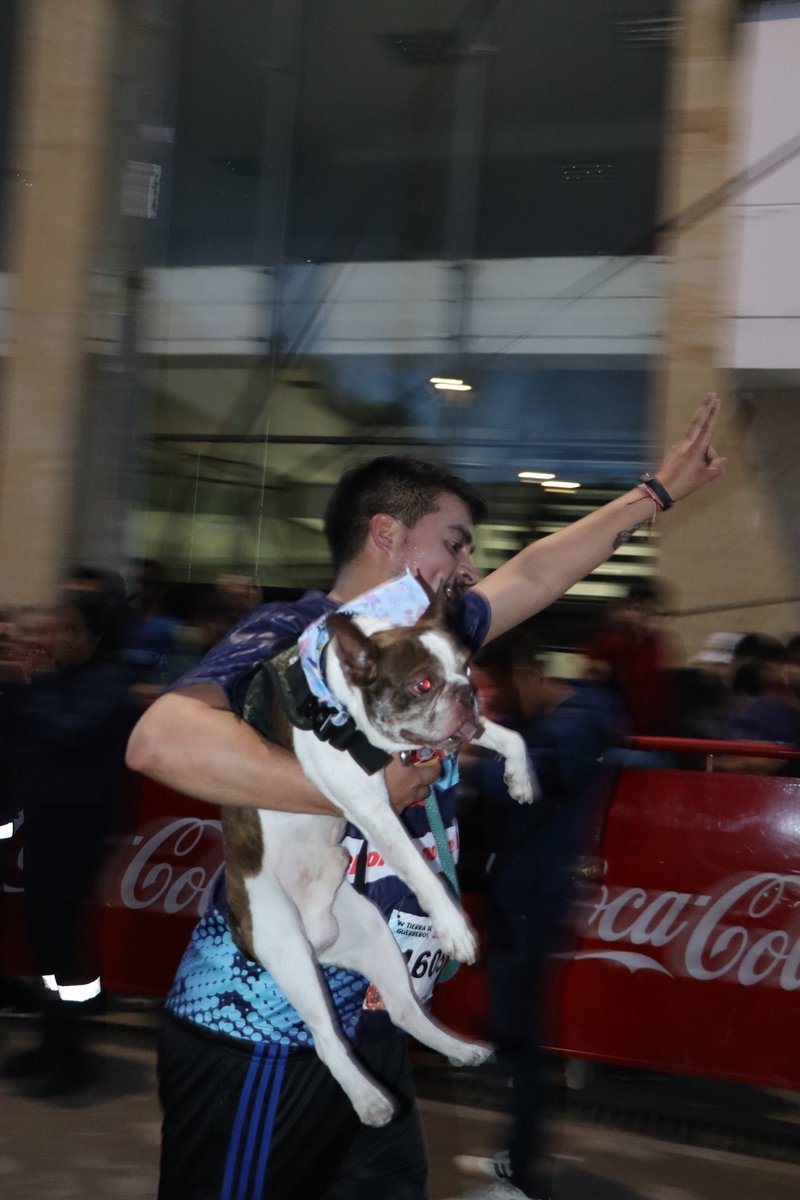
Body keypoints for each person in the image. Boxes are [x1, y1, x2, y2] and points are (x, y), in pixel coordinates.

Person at [126, 393, 725, 1200]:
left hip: (375, 1024)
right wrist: (350, 788)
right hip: (264, 1032)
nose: (470, 568)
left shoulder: (430, 644)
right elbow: (158, 739)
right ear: (387, 535)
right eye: (454, 544)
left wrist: (654, 495)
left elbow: (539, 572)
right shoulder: (295, 636)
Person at [455, 640, 623, 1200]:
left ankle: (524, 1179)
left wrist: (469, 765)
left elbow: (521, 787)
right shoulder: (562, 722)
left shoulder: (572, 727)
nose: (494, 703)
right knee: (515, 1040)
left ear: (529, 673)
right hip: (524, 900)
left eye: (498, 689)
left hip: (533, 903)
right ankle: (518, 1158)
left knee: (522, 1045)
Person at [1, 585, 136, 1094]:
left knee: (65, 947)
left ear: (95, 636)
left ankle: (73, 1053)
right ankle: (51, 1043)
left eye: (67, 629)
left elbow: (65, 730)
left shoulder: (109, 684)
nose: (54, 637)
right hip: (46, 829)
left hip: (78, 834)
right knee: (44, 941)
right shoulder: (57, 679)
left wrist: (23, 686)